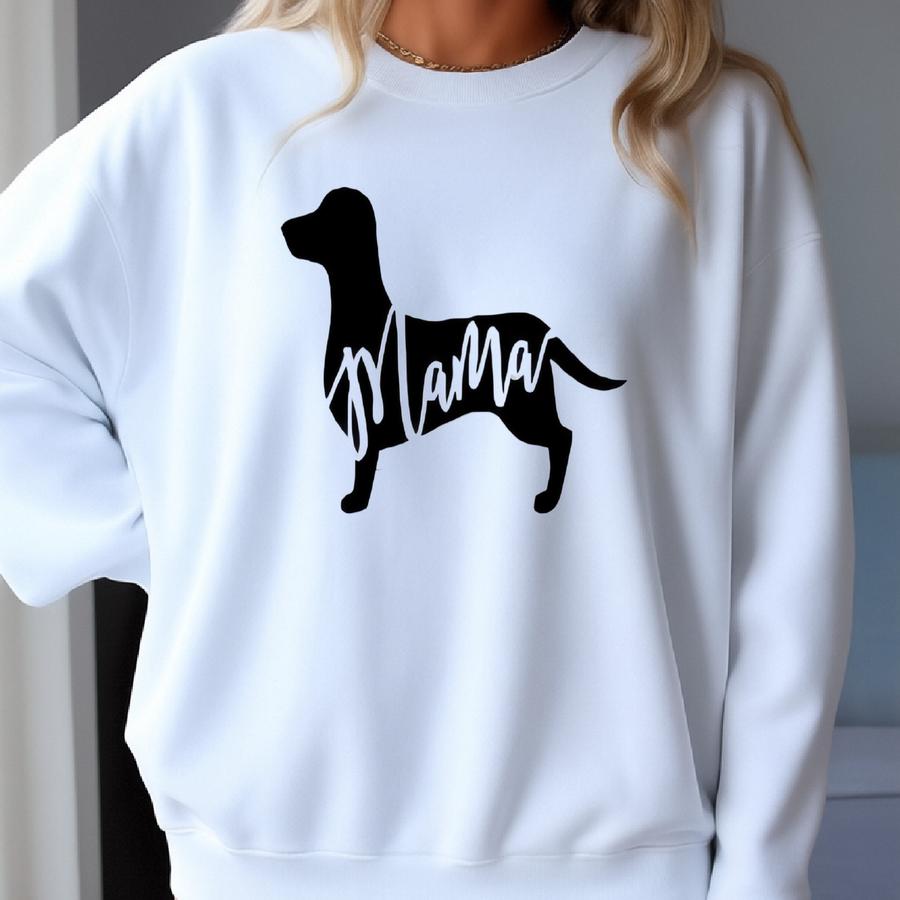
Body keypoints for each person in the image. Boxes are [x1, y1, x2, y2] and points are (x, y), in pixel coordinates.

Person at [0, 1, 855, 898]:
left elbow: (787, 550)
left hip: (625, 872)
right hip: (261, 871)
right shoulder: (204, 112)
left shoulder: (711, 128)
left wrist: (763, 878)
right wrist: (189, 551)